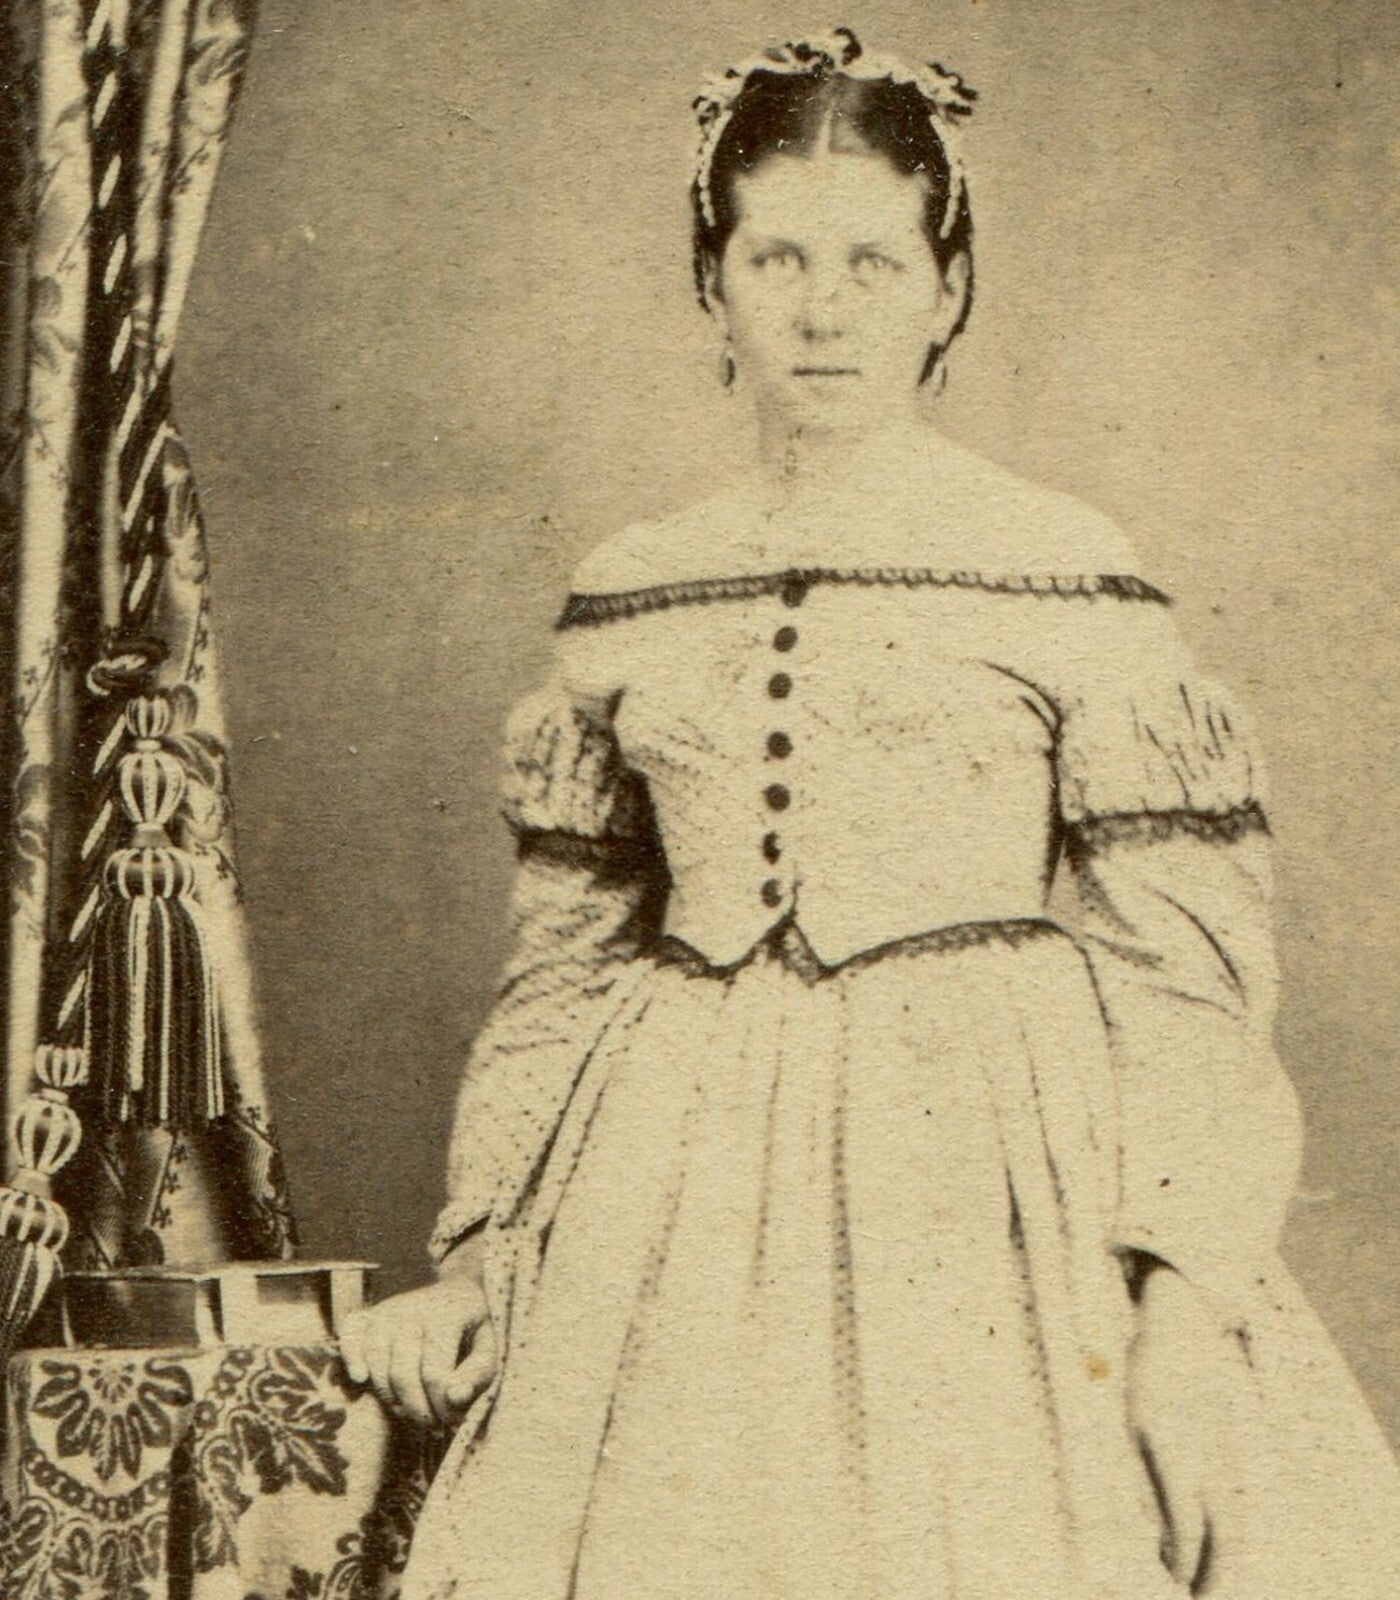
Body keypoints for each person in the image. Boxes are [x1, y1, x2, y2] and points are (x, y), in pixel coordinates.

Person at [340, 29, 1400, 1599]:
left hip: (984, 1182)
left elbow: (1188, 981)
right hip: (665, 1190)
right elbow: (558, 974)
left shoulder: (1064, 569)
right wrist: (482, 1252)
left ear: (945, 286)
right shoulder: (633, 589)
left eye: (871, 261)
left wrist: (1182, 1301)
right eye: (775, 256)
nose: (822, 308)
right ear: (713, 284)